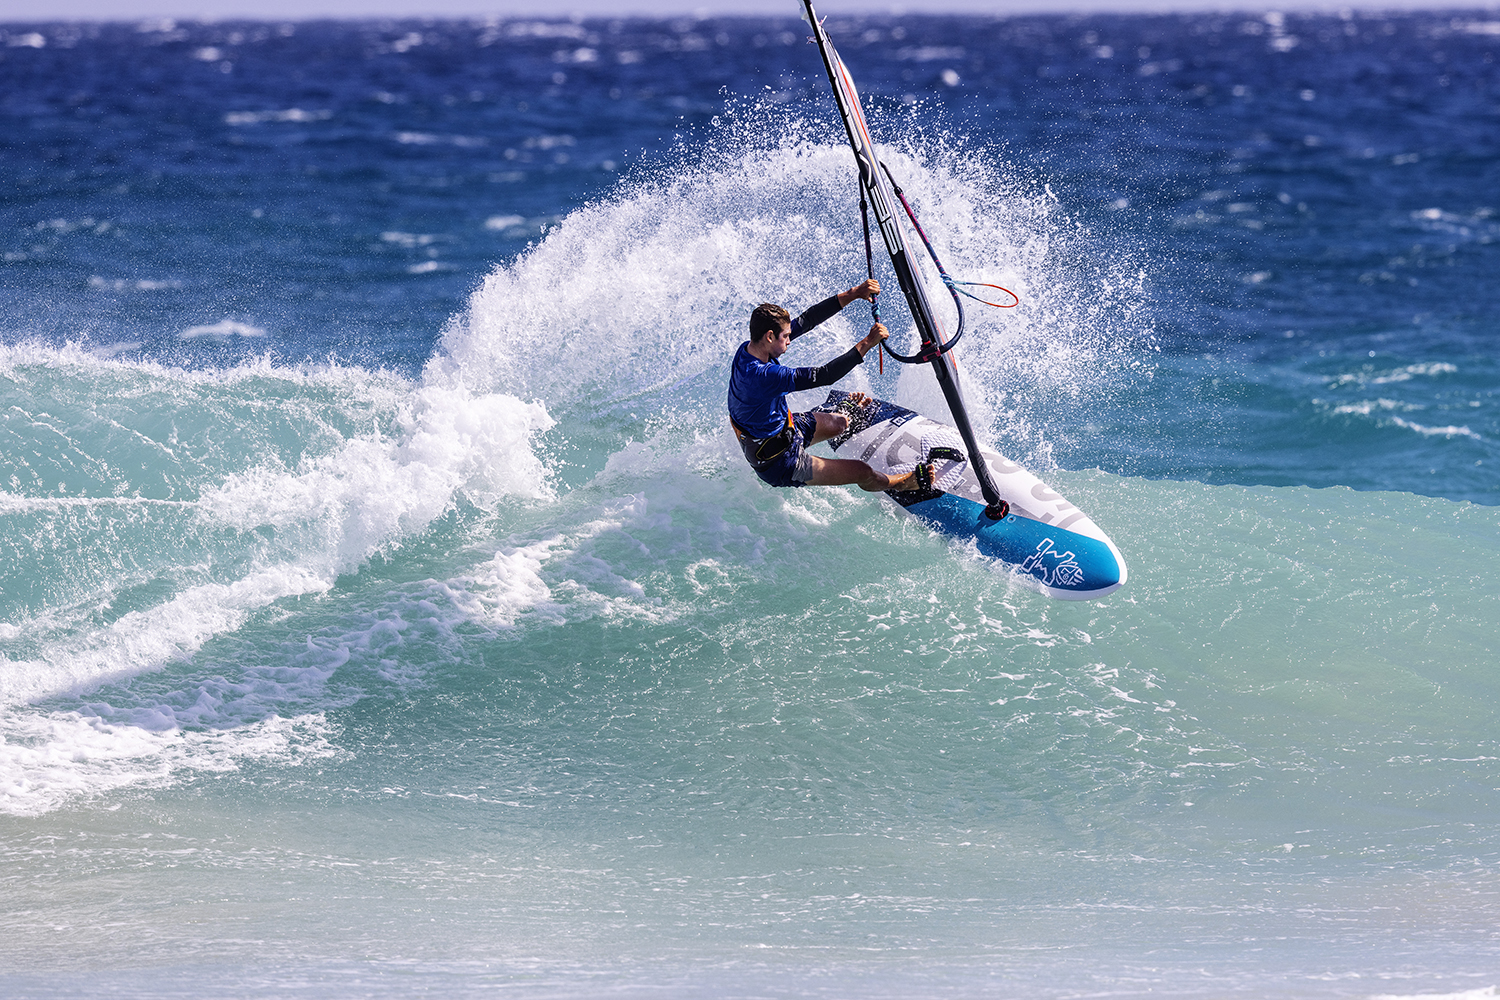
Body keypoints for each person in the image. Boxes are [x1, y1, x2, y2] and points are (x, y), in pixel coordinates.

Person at [727, 278, 932, 492]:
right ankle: (902, 483)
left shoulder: (750, 349)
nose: (789, 340)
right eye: (786, 336)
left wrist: (854, 293)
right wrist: (867, 343)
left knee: (840, 424)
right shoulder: (763, 376)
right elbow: (825, 375)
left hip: (787, 430)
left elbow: (806, 321)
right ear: (769, 336)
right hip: (780, 463)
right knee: (862, 471)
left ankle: (840, 414)